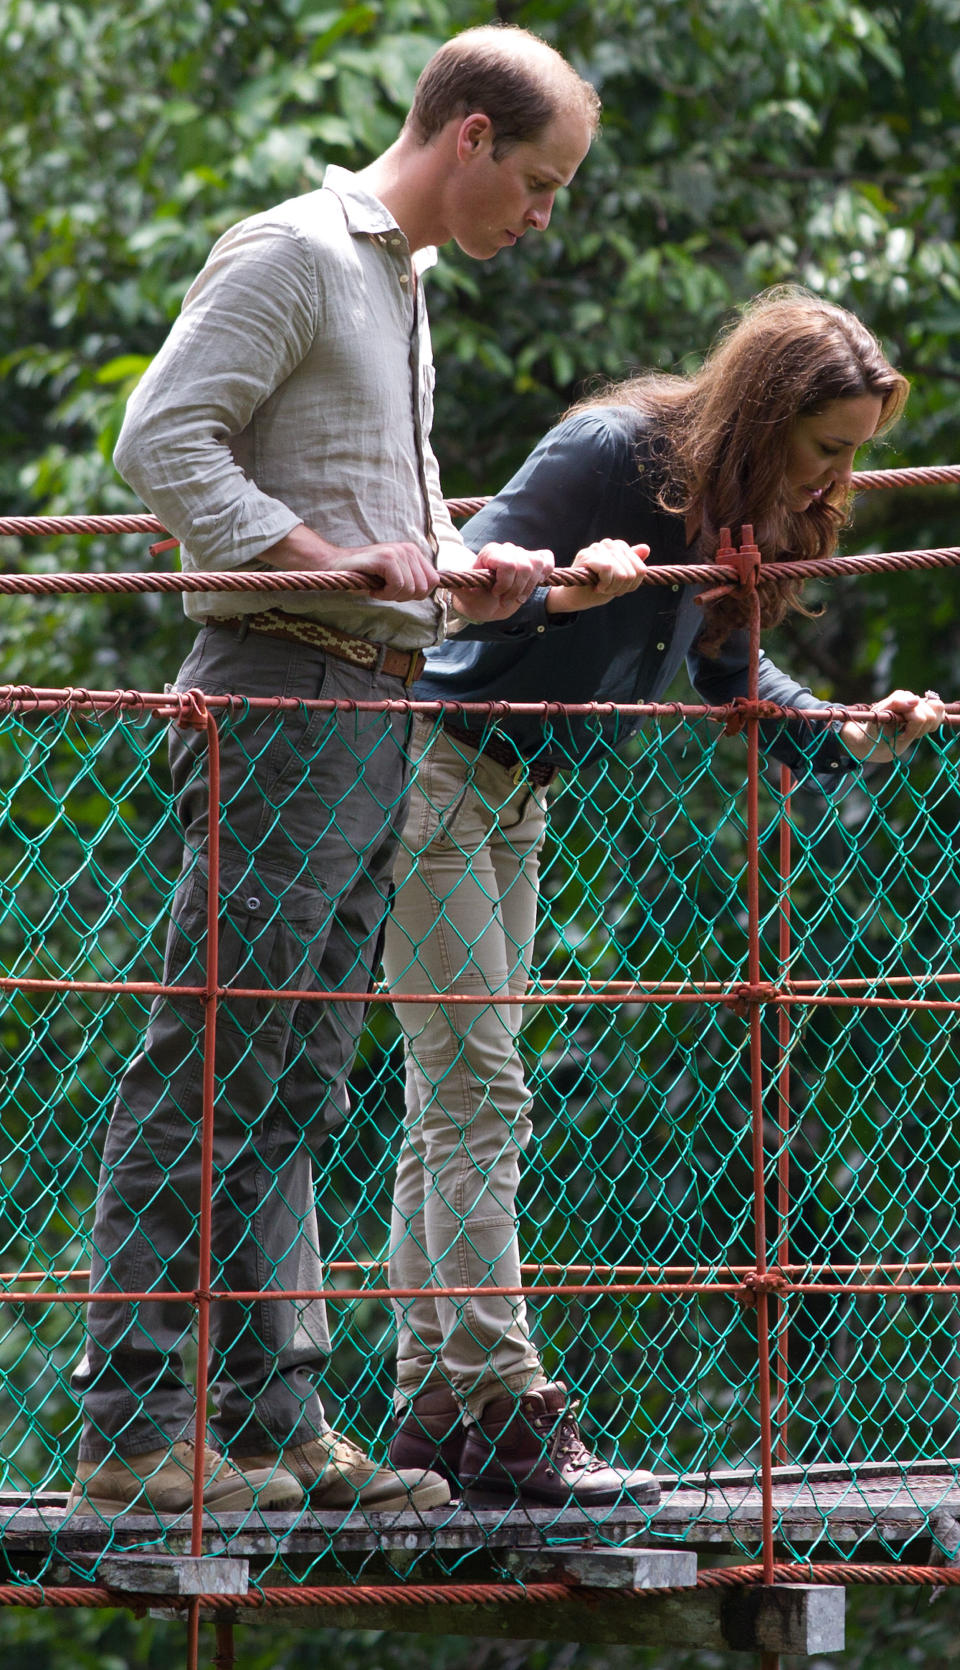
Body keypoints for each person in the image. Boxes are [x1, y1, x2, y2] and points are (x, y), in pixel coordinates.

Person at [66, 24, 600, 1521]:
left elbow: (371, 527)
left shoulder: (397, 281)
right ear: (472, 135)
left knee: (299, 1070)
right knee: (213, 1057)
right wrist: (331, 561)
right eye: (542, 183)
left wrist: (452, 579)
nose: (543, 215)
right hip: (281, 692)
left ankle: (270, 1415)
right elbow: (159, 439)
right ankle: (129, 1433)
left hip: (376, 692)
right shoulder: (297, 249)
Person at [383, 287, 946, 1510]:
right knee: (480, 1088)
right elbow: (449, 588)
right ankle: (511, 1407)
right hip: (426, 764)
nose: (838, 476)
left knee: (453, 1094)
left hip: (517, 789)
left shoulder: (728, 506)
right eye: (828, 447)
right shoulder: (608, 454)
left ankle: (433, 1417)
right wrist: (563, 590)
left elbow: (724, 667)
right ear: (765, 414)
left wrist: (845, 732)